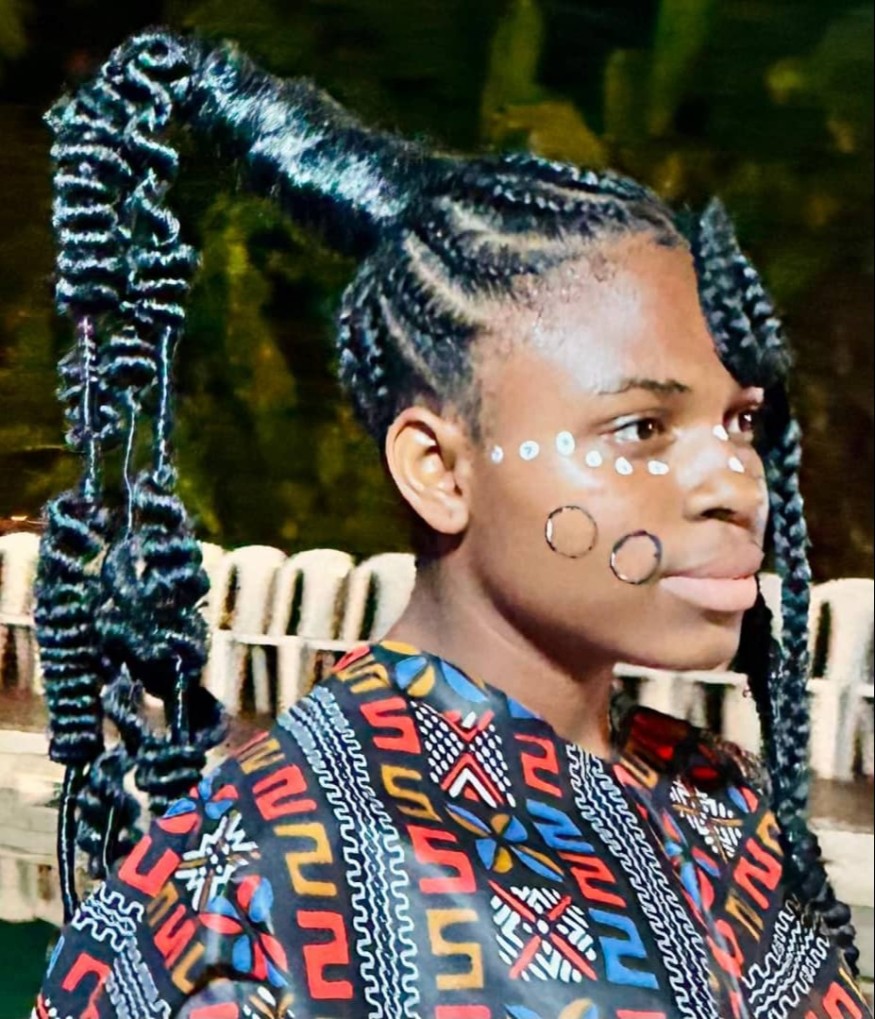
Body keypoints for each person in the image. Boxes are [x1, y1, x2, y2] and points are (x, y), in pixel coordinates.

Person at [32, 27, 870, 1019]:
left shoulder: (716, 794)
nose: (735, 480)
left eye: (740, 422)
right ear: (437, 467)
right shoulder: (246, 878)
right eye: (641, 427)